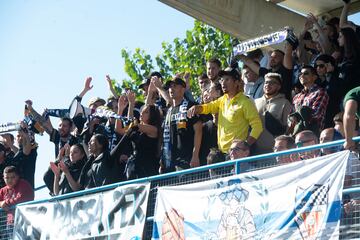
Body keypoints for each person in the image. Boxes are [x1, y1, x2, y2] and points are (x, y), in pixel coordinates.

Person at [188, 67, 263, 154]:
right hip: (222, 153)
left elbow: (257, 127)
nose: (223, 83)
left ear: (236, 82)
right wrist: (197, 108)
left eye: (227, 79)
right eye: (222, 80)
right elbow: (208, 107)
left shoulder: (245, 102)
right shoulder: (222, 100)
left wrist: (245, 145)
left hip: (237, 155)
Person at [116, 91, 162, 179]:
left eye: (146, 112)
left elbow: (132, 125)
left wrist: (131, 105)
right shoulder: (137, 129)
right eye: (142, 111)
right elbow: (119, 130)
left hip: (147, 170)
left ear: (152, 115)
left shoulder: (154, 129)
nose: (141, 113)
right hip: (133, 169)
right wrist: (120, 109)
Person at [161, 78, 202, 173]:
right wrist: (162, 160)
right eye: (170, 87)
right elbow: (165, 138)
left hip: (187, 159)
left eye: (174, 86)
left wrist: (195, 155)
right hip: (170, 161)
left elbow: (198, 131)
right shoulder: (169, 111)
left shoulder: (191, 106)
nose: (171, 89)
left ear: (183, 89)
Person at [254, 73, 292, 154]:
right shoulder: (255, 102)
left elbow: (289, 129)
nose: (268, 85)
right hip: (255, 151)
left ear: (279, 86)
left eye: (272, 83)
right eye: (266, 82)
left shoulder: (285, 103)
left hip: (274, 151)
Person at [0, 166, 34, 239]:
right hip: (10, 224)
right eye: (7, 178)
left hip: (25, 222)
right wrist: (1, 203)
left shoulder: (23, 184)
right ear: (3, 178)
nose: (9, 180)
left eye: (12, 177)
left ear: (18, 177)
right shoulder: (3, 190)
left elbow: (20, 199)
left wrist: (5, 202)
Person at [292, 65, 329, 130]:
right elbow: (291, 116)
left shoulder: (320, 92)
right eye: (300, 74)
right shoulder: (296, 97)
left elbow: (316, 114)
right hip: (296, 134)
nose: (302, 76)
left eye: (306, 73)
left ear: (314, 77)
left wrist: (297, 119)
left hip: (312, 133)